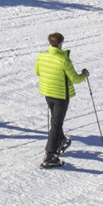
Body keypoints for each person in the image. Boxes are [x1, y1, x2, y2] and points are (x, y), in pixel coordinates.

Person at [34, 31, 89, 168]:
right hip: (61, 96)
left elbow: (37, 72)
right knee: (56, 124)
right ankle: (50, 155)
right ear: (60, 43)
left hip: (48, 92)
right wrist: (84, 75)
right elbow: (75, 79)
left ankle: (61, 141)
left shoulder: (42, 56)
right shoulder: (64, 59)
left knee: (55, 120)